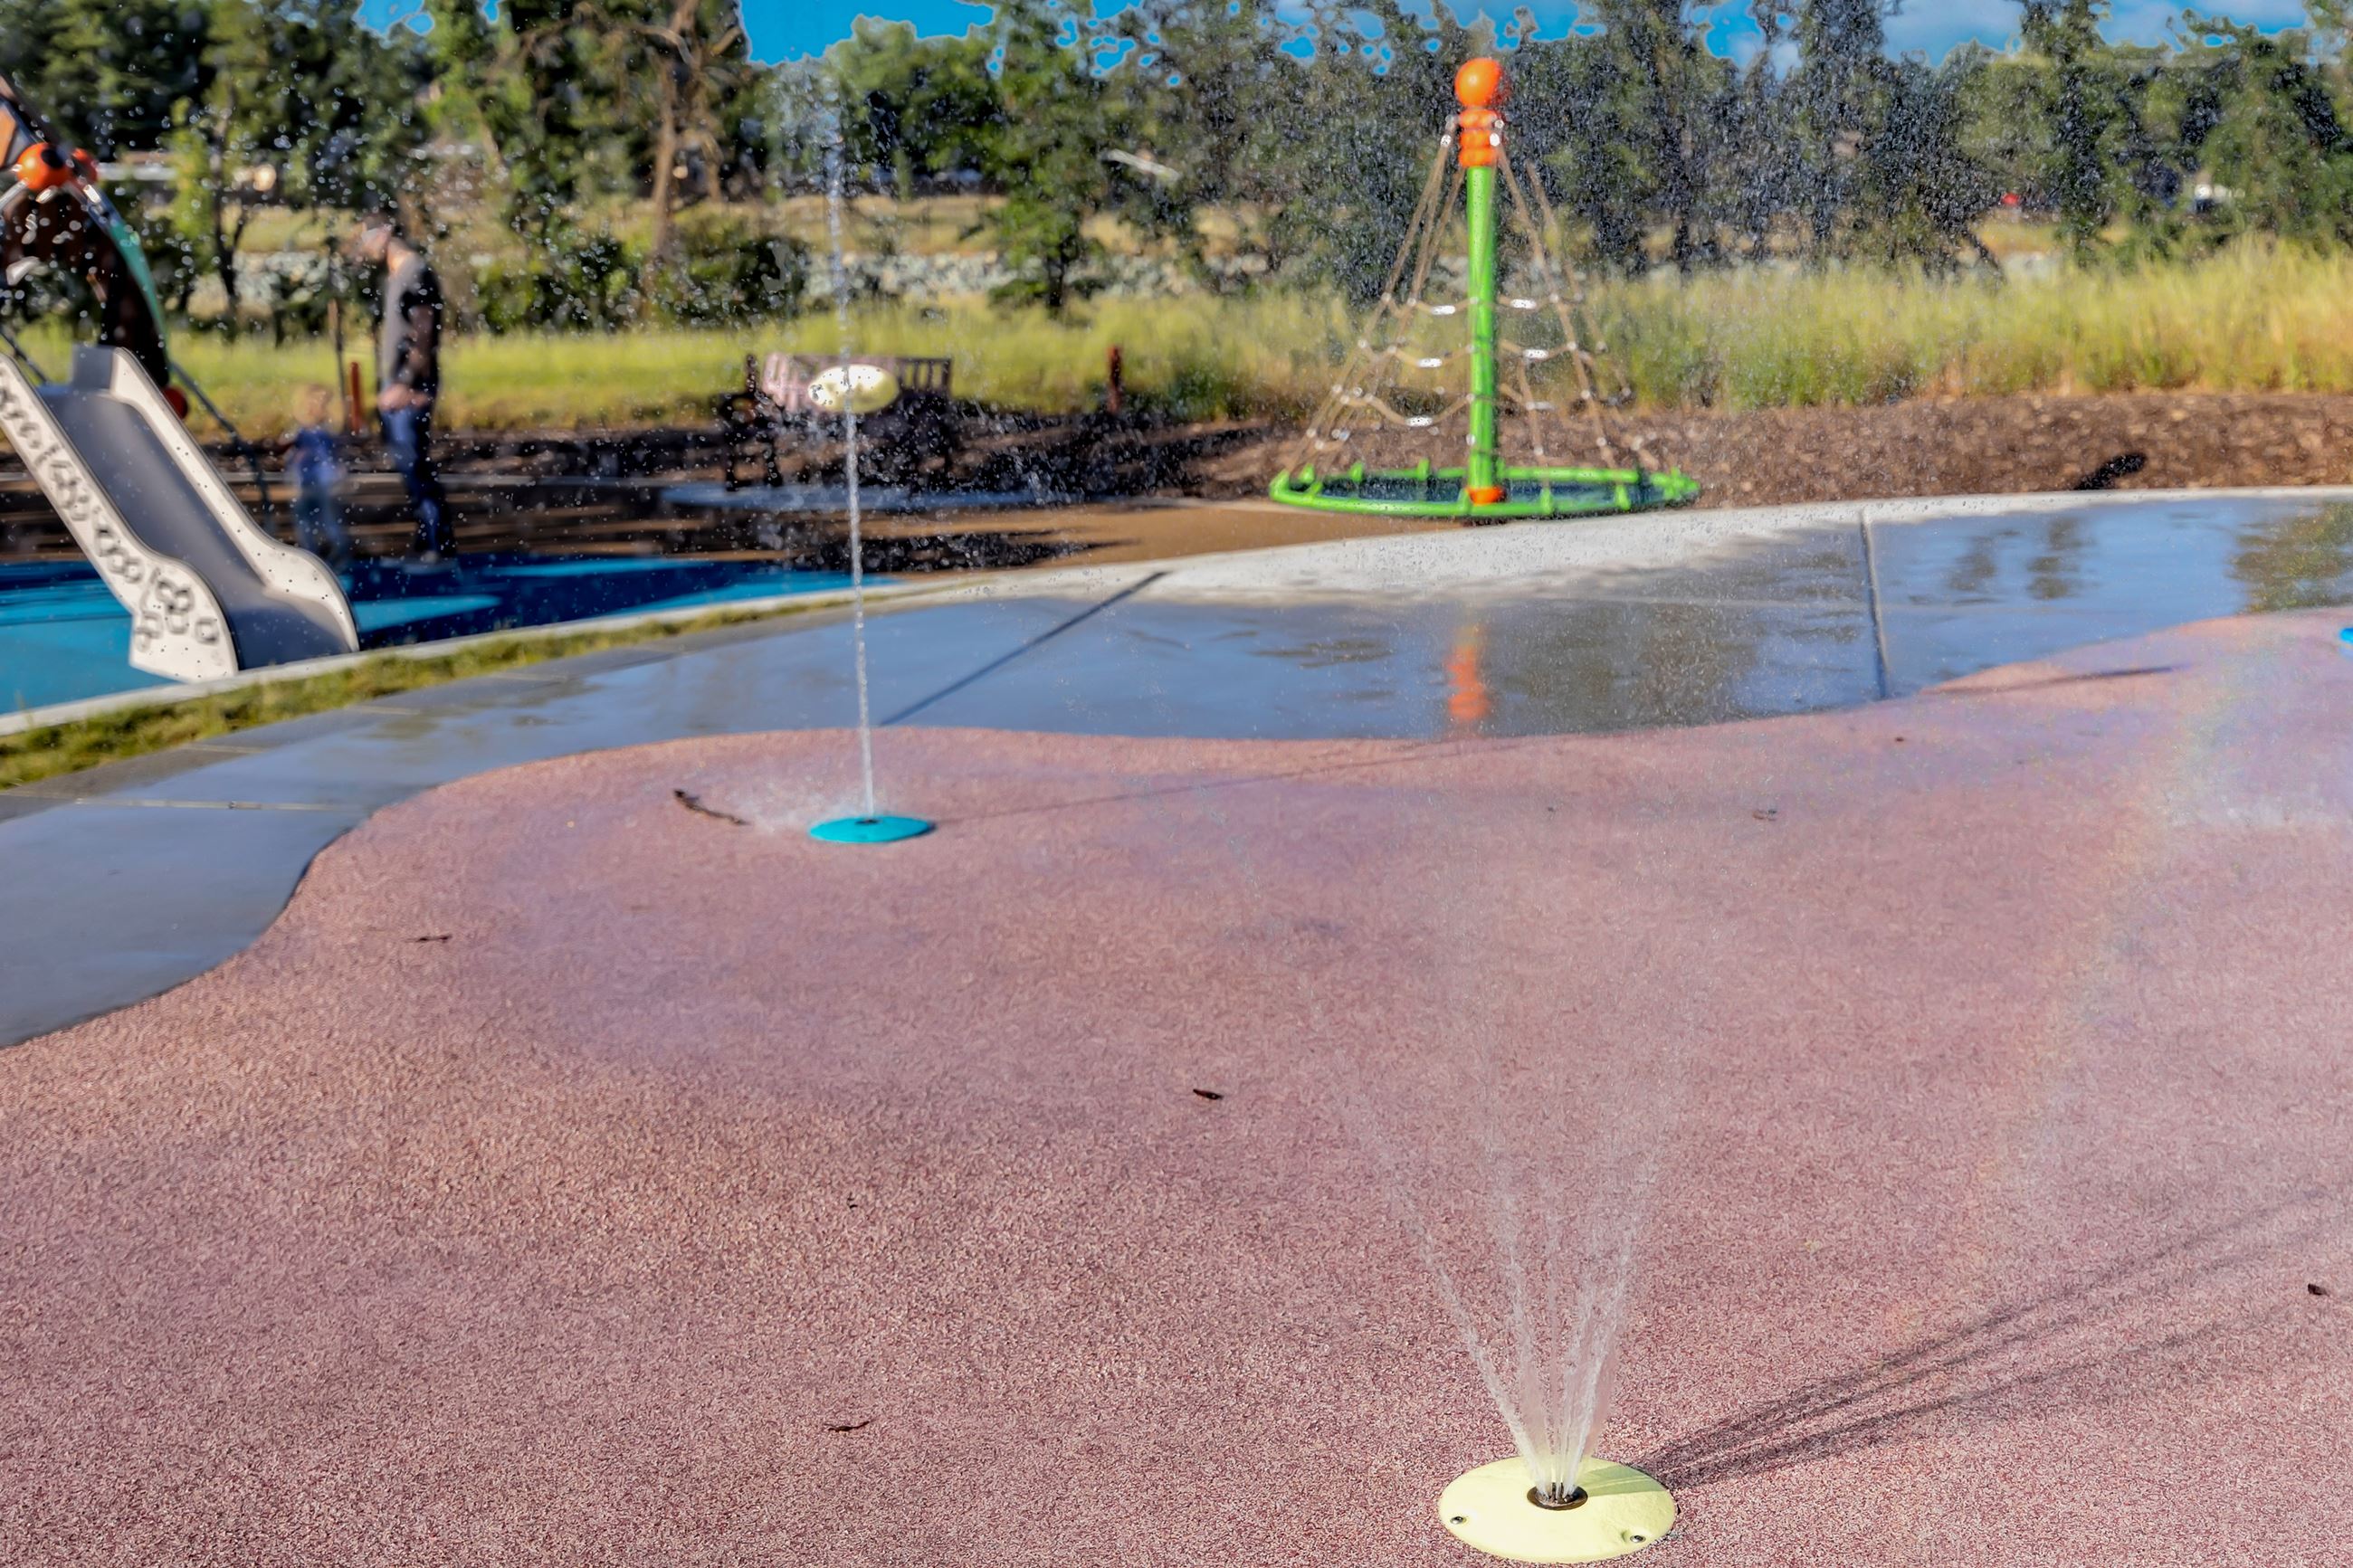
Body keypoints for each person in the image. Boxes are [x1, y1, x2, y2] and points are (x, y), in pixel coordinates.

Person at [353, 211, 454, 563]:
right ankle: (426, 541)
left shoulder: (415, 272)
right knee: (409, 467)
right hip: (397, 385)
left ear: (384, 234)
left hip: (410, 388)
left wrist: (408, 383)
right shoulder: (397, 275)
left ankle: (439, 546)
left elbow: (425, 333)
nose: (363, 249)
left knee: (416, 466)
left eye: (365, 239)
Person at [286, 383, 352, 573]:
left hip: (324, 483)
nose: (317, 408)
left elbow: (332, 457)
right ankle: (313, 557)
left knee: (329, 520)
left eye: (323, 403)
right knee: (305, 521)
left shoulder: (324, 432)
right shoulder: (300, 432)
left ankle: (337, 557)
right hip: (305, 482)